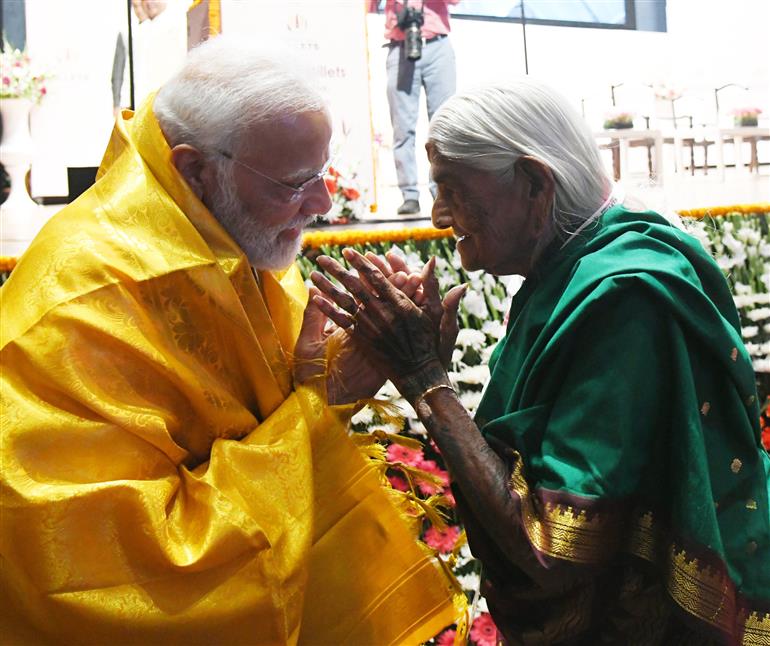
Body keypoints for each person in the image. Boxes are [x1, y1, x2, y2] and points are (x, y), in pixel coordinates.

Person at [0, 36, 461, 644]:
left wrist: (358, 364)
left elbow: (276, 405)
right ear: (194, 168)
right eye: (296, 182)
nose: (323, 203)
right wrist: (328, 396)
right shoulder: (80, 298)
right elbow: (133, 575)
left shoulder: (226, 231)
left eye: (324, 173)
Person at [309, 79, 770, 643]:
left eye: (452, 190)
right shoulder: (572, 269)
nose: (438, 217)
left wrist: (424, 378)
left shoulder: (623, 297)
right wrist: (429, 374)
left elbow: (554, 546)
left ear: (534, 183)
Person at [370, 0, 459, 215]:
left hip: (437, 45)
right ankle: (409, 195)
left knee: (444, 127)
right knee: (402, 128)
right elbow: (371, 6)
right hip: (400, 47)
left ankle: (443, 194)